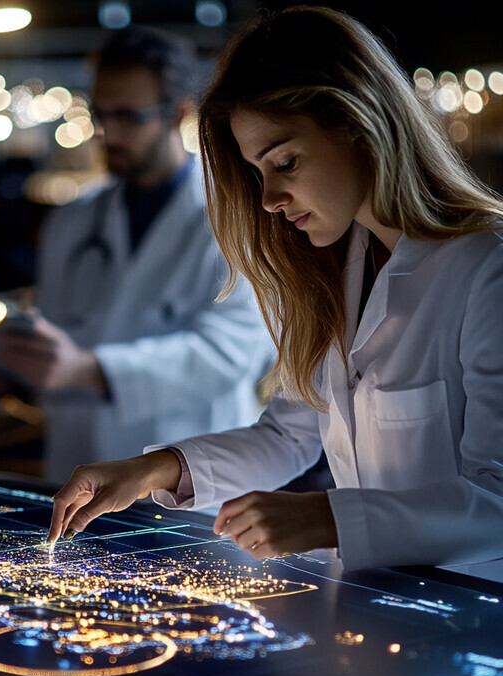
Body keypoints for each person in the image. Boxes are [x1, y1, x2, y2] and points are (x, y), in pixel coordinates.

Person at [47, 6, 503, 572]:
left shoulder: (487, 269)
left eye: (285, 162)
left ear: (359, 125)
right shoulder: (335, 272)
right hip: (379, 606)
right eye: (259, 172)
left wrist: (329, 518)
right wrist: (152, 470)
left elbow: (497, 502)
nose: (268, 199)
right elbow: (289, 435)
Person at [0, 27, 274, 486]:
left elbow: (231, 353)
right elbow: (60, 335)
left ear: (176, 113)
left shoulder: (232, 218)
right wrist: (20, 371)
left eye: (128, 116)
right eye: (102, 115)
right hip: (74, 474)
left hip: (186, 484)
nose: (109, 134)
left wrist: (90, 371)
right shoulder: (73, 221)